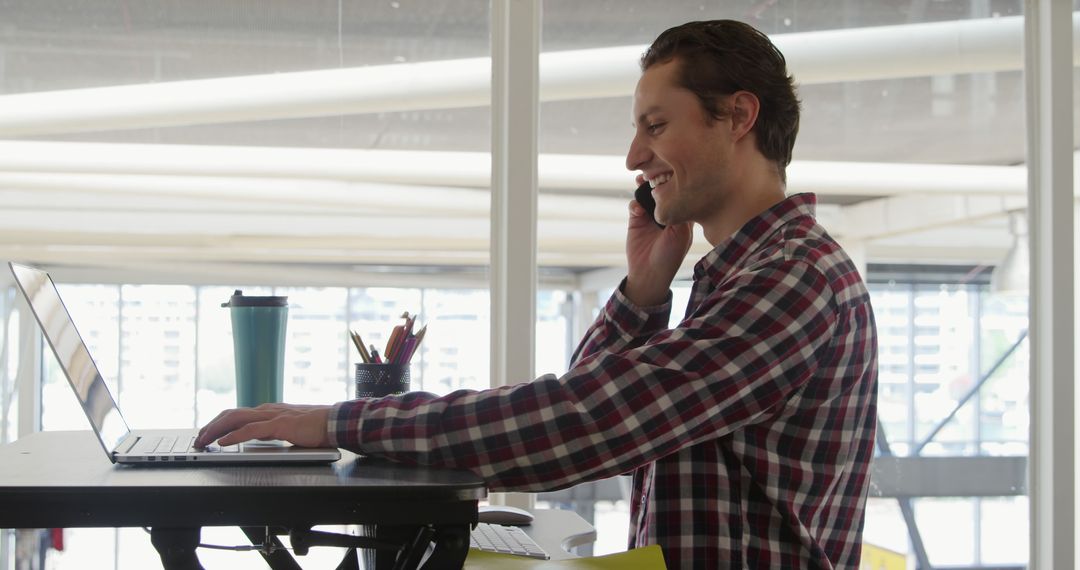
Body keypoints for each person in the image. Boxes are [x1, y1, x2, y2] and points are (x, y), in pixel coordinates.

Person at [197, 19, 877, 568]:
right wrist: (642, 294)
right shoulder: (739, 275)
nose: (634, 156)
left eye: (656, 125)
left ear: (738, 117)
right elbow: (596, 403)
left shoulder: (793, 280)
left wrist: (339, 424)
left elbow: (585, 424)